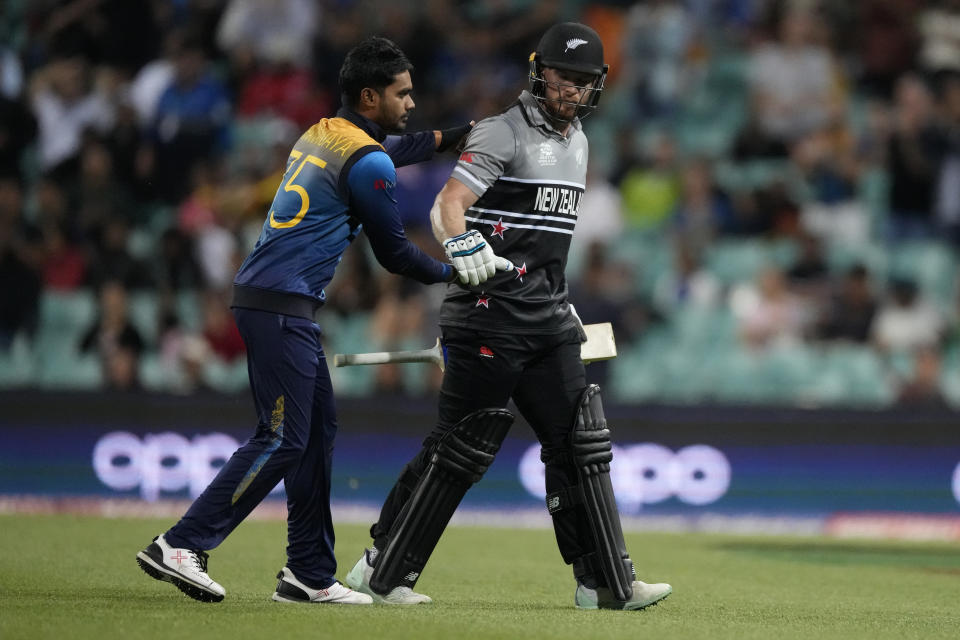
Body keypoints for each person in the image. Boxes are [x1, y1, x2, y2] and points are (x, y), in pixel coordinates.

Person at [136, 36, 505, 606]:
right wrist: (460, 275)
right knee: (282, 437)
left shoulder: (324, 132)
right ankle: (182, 544)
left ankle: (308, 573)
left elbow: (390, 149)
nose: (411, 102)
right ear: (369, 95)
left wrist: (448, 139)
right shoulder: (369, 163)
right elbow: (396, 256)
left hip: (275, 302)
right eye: (401, 94)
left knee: (314, 437)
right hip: (278, 306)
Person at [344, 23, 672, 610]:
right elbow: (450, 205)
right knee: (459, 449)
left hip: (548, 319)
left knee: (581, 443)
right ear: (538, 72)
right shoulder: (502, 131)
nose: (571, 90)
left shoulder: (580, 143)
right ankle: (382, 569)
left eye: (584, 80)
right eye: (563, 77)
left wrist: (557, 297)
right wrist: (460, 246)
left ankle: (603, 583)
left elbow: (545, 242)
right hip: (487, 316)